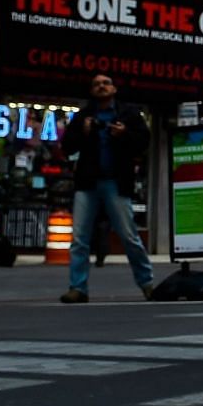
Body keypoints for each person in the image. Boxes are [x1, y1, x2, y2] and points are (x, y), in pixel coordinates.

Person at [60, 74, 155, 303]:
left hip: (116, 181)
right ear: (92, 91)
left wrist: (124, 134)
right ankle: (78, 287)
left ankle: (147, 283)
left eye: (106, 83)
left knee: (129, 235)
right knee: (79, 238)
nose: (101, 87)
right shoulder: (83, 115)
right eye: (96, 84)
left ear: (114, 88)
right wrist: (82, 132)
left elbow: (143, 142)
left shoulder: (128, 114)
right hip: (88, 182)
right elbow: (67, 146)